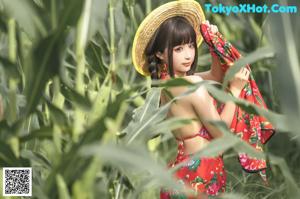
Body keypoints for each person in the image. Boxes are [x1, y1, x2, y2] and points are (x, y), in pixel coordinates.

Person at [132, 1, 250, 197]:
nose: (188, 55)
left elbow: (216, 77)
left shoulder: (166, 83)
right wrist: (235, 93)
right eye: (178, 49)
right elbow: (221, 134)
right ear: (160, 53)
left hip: (182, 173)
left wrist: (213, 44)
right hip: (199, 175)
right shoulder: (190, 85)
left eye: (190, 46)